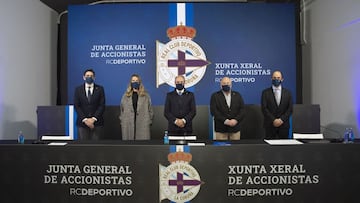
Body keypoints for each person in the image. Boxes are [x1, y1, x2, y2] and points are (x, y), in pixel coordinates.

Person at [74, 69, 105, 140]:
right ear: (84, 77)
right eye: (87, 76)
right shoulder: (78, 89)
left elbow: (101, 105)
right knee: (84, 147)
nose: (89, 77)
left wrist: (93, 119)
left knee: (95, 147)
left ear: (94, 77)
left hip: (97, 123)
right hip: (82, 123)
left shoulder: (100, 89)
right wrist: (85, 120)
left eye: (91, 76)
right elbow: (77, 106)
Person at [119, 74, 153, 140]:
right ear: (130, 82)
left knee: (142, 147)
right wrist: (122, 121)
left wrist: (148, 121)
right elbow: (121, 110)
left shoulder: (146, 95)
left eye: (137, 81)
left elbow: (150, 110)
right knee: (129, 147)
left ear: (139, 82)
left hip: (143, 125)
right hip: (128, 124)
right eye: (133, 80)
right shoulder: (125, 96)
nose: (135, 82)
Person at [261, 70, 293, 139]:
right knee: (269, 149)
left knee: (283, 148)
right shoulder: (265, 93)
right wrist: (273, 120)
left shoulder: (288, 93)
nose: (276, 79)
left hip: (284, 126)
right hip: (270, 125)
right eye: (274, 77)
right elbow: (264, 108)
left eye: (278, 78)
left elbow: (290, 109)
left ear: (282, 79)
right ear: (271, 79)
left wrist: (281, 120)